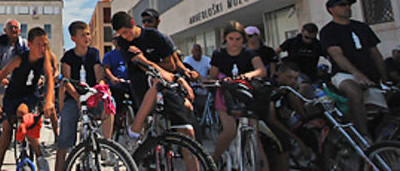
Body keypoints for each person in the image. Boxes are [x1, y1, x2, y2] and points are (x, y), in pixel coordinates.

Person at [112, 12, 196, 161]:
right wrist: (151, 65)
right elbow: (144, 66)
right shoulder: (123, 42)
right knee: (153, 81)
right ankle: (136, 134)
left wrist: (148, 61)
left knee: (187, 117)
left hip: (165, 81)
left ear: (132, 23)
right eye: (120, 34)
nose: (124, 37)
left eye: (125, 32)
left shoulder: (155, 36)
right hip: (141, 83)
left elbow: (171, 64)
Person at [319, 0, 387, 135]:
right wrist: (356, 74)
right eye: (342, 5)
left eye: (348, 4)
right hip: (344, 74)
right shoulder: (328, 30)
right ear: (331, 10)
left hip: (369, 75)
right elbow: (337, 55)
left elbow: (375, 54)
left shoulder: (362, 27)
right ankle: (362, 136)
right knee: (353, 92)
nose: (347, 8)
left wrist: (385, 77)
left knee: (384, 111)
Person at [0, 27, 55, 171]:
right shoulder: (19, 59)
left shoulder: (45, 59)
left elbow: (49, 78)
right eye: (38, 44)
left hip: (29, 96)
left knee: (23, 114)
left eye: (44, 44)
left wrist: (49, 101)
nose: (42, 48)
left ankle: (39, 156)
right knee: (5, 138)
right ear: (29, 44)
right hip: (12, 96)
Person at [55, 21, 112, 171]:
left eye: (88, 34)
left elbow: (99, 75)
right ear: (73, 38)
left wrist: (99, 90)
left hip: (92, 95)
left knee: (109, 105)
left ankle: (107, 144)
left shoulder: (93, 53)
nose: (87, 37)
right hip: (74, 98)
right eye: (83, 35)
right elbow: (66, 82)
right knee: (64, 138)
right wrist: (78, 98)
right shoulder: (68, 57)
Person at [208, 21, 266, 166]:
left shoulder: (249, 53)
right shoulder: (218, 54)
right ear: (225, 39)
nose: (234, 43)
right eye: (231, 39)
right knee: (230, 130)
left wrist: (248, 75)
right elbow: (212, 76)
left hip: (246, 95)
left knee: (254, 135)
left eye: (238, 39)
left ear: (243, 39)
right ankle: (214, 159)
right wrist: (220, 80)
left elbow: (261, 70)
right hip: (225, 95)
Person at [253, 61, 312, 171]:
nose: (293, 81)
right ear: (279, 74)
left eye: (295, 78)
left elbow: (299, 111)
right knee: (283, 142)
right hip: (264, 123)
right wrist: (299, 141)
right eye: (289, 77)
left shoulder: (287, 90)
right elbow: (271, 119)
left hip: (282, 120)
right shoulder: (270, 88)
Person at [0, 19, 28, 161]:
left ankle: (25, 149)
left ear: (19, 31)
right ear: (5, 30)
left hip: (18, 84)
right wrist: (0, 75)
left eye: (16, 28)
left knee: (25, 115)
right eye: (11, 27)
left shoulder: (24, 44)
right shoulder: (0, 42)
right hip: (2, 82)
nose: (14, 30)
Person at [141, 8, 199, 79]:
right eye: (144, 21)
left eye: (150, 21)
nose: (146, 24)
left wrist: (186, 71)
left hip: (166, 79)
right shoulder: (141, 40)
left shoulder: (164, 38)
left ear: (158, 21)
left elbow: (176, 61)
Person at [102, 40, 131, 116]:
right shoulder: (109, 55)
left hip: (130, 83)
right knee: (116, 106)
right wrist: (112, 78)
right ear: (113, 42)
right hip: (116, 85)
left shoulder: (129, 53)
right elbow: (106, 68)